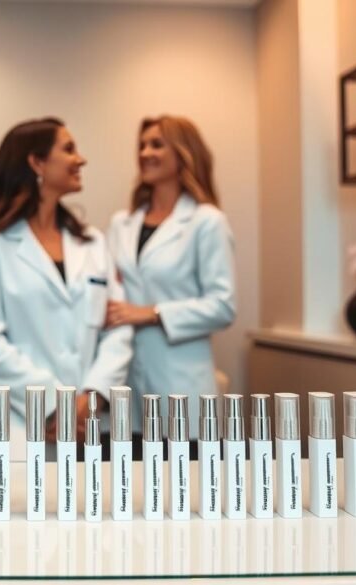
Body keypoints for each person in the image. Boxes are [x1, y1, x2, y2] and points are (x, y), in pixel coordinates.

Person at [0, 117, 132, 459]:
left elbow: (118, 327)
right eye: (68, 149)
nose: (80, 160)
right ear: (36, 162)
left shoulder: (93, 241)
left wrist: (90, 397)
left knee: (88, 510)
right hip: (17, 426)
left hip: (88, 424)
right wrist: (55, 404)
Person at [105, 115, 236, 451]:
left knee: (185, 498)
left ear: (183, 154)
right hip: (127, 390)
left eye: (157, 144)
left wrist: (150, 313)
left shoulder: (206, 222)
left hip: (182, 390)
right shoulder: (122, 224)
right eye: (142, 145)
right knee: (129, 496)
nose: (145, 152)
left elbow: (222, 306)